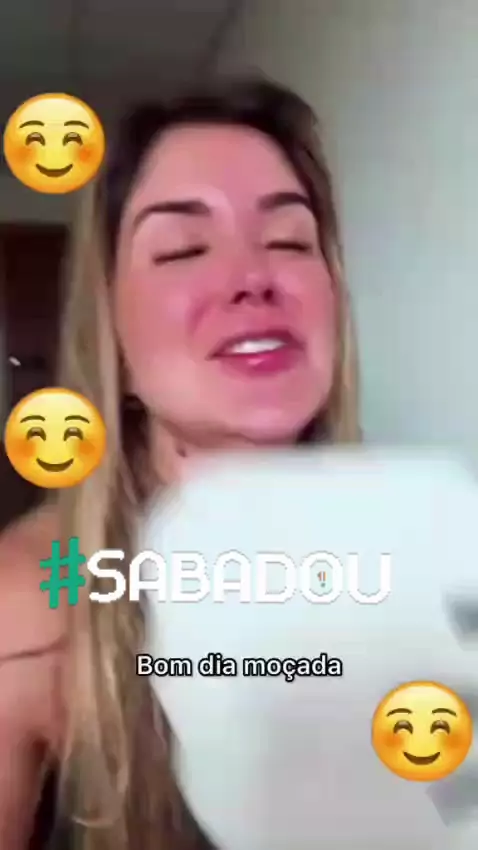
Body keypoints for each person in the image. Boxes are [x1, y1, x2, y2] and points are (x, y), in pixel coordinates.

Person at [0, 75, 360, 850]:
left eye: (290, 241)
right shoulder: (27, 601)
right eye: (182, 250)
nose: (253, 278)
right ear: (113, 341)